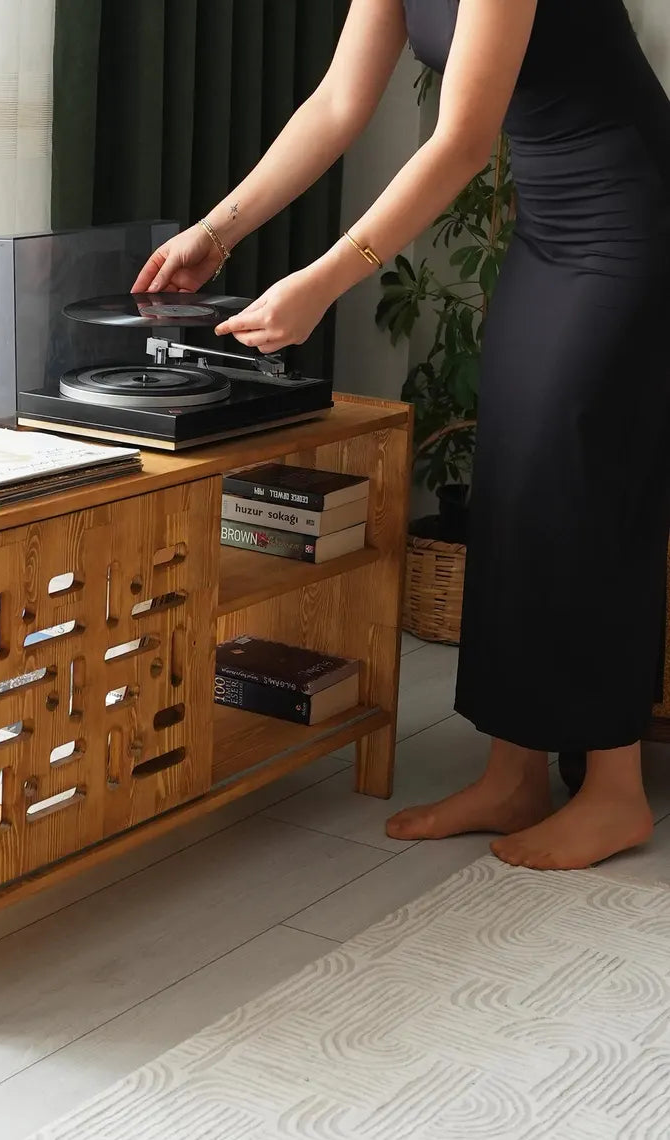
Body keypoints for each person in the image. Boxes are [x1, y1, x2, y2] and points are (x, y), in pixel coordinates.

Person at [133, 0, 670, 871]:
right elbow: (337, 103)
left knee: (584, 490)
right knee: (516, 484)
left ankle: (616, 793)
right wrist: (216, 233)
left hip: (632, 221)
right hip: (549, 227)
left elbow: (461, 142)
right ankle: (514, 775)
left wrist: (322, 280)